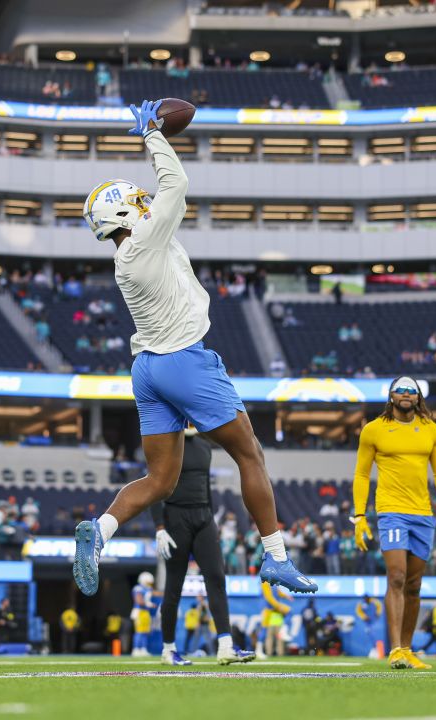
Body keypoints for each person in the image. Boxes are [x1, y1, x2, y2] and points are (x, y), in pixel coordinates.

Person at [74, 99, 315, 598]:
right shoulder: (143, 240)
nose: (143, 203)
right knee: (250, 453)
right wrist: (153, 135)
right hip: (185, 360)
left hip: (147, 368)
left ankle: (100, 530)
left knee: (160, 479)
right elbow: (176, 185)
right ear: (122, 213)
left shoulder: (129, 253)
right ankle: (276, 558)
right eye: (133, 201)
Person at [352, 376, 436, 669]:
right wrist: (360, 516)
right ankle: (395, 650)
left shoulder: (431, 430)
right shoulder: (374, 430)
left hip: (423, 515)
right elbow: (362, 475)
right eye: (400, 390)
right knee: (397, 577)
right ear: (391, 396)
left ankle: (408, 649)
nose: (405, 394)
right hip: (391, 512)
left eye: (411, 391)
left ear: (418, 398)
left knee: (414, 585)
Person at [151, 426, 254, 665]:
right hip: (176, 518)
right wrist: (159, 526)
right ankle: (168, 650)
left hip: (203, 517)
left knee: (217, 578)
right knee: (174, 586)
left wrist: (209, 517)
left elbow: (204, 485)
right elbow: (154, 486)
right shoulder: (165, 444)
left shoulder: (205, 446)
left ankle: (226, 645)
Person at [130, 572, 156, 657]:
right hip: (139, 611)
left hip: (146, 612)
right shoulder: (138, 588)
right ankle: (136, 649)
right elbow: (139, 601)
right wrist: (149, 604)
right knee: (139, 632)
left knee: (145, 632)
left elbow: (158, 593)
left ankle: (143, 649)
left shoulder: (149, 589)